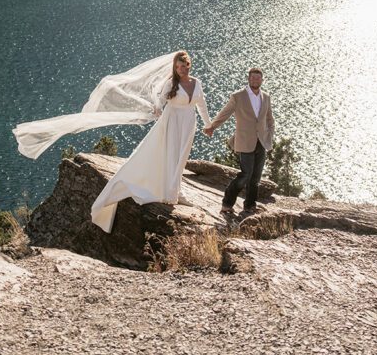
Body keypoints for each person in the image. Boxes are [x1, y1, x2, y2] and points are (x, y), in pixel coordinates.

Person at [91, 50, 212, 232]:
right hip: (171, 122)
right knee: (172, 156)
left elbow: (201, 105)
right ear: (175, 67)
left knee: (182, 156)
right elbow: (160, 102)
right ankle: (173, 193)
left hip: (189, 123)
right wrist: (155, 109)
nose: (181, 70)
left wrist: (208, 125)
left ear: (189, 65)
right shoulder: (171, 83)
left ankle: (176, 190)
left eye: (184, 66)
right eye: (178, 67)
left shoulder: (197, 83)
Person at [203, 66, 275, 216]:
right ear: (249, 79)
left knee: (255, 178)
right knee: (245, 175)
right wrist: (212, 127)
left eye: (258, 78)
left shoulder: (266, 97)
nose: (255, 80)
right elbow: (225, 113)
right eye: (253, 77)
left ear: (262, 80)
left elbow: (269, 119)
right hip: (244, 141)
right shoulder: (238, 96)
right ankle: (227, 203)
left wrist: (270, 135)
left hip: (261, 141)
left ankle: (250, 205)